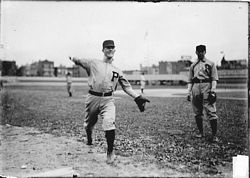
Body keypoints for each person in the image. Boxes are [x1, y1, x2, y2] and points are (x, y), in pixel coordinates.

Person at [69, 40, 150, 164]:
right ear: (103, 50)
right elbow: (80, 61)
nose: (110, 49)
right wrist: (73, 58)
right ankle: (89, 136)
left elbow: (126, 86)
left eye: (112, 47)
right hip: (93, 98)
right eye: (108, 47)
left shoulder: (117, 70)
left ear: (115, 50)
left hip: (108, 99)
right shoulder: (93, 63)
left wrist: (137, 97)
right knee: (89, 124)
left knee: (109, 123)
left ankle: (110, 152)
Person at [187, 45, 219, 142]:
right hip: (196, 86)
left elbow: (214, 79)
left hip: (206, 85)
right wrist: (189, 92)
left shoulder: (211, 63)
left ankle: (214, 135)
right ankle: (201, 133)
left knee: (211, 110)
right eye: (198, 51)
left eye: (202, 51)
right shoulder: (193, 65)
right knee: (197, 111)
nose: (200, 53)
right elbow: (190, 80)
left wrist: (213, 90)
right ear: (196, 52)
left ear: (205, 52)